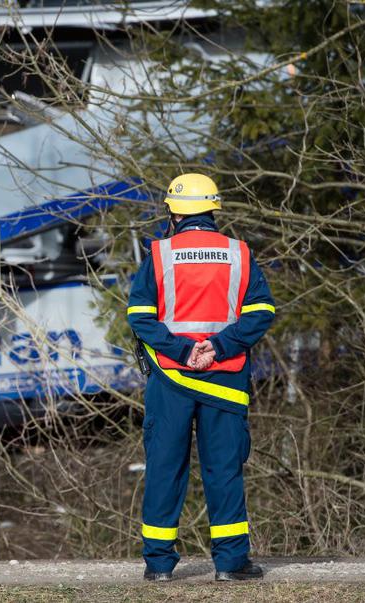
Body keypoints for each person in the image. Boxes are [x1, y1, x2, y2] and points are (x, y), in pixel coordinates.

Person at [127, 173, 275, 582]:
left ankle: (158, 567)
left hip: (171, 380)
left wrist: (181, 350)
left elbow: (139, 316)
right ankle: (230, 565)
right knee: (224, 471)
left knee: (164, 468)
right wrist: (220, 345)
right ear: (213, 211)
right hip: (224, 379)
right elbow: (262, 312)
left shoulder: (159, 254)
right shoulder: (239, 253)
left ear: (172, 213)